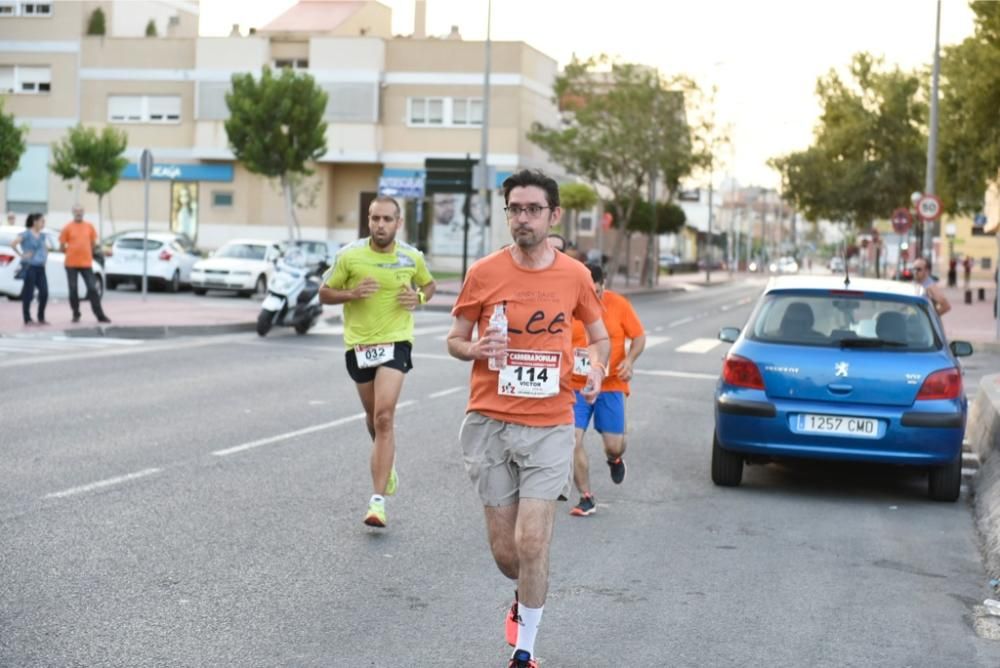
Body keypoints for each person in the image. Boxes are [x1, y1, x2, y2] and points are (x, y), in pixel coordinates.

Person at [446, 169, 610, 668]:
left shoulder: (575, 276)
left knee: (533, 541)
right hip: (490, 421)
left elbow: (599, 337)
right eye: (515, 209)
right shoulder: (484, 273)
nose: (523, 218)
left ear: (553, 215)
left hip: (550, 423)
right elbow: (454, 339)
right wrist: (474, 347)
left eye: (533, 209)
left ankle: (525, 650)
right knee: (507, 555)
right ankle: (522, 597)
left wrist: (598, 367)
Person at [319, 195, 436, 528]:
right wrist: (351, 294)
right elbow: (324, 293)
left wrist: (420, 298)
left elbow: (429, 284)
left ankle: (377, 502)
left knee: (385, 417)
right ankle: (387, 463)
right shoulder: (349, 256)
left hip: (396, 342)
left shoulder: (411, 257)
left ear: (398, 223)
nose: (380, 225)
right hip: (358, 344)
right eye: (375, 219)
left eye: (387, 219)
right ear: (368, 221)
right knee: (372, 418)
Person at [567, 262, 646, 516]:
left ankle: (614, 459)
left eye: (597, 293)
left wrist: (629, 360)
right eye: (587, 293)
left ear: (604, 286)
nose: (592, 298)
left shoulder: (619, 305)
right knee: (572, 440)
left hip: (610, 384)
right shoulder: (568, 305)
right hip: (577, 385)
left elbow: (639, 336)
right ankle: (586, 497)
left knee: (615, 445)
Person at [59, 205, 111, 324]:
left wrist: (86, 251)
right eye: (76, 211)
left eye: (81, 211)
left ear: (84, 212)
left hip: (86, 263)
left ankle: (100, 315)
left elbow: (93, 244)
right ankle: (76, 313)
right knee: (73, 289)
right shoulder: (67, 227)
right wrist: (72, 251)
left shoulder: (89, 227)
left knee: (92, 289)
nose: (79, 213)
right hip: (71, 264)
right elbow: (61, 247)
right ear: (72, 213)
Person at [11, 213, 49, 326]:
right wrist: (22, 255)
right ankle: (27, 318)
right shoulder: (26, 234)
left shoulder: (42, 235)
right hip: (30, 267)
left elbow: (45, 249)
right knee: (29, 293)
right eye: (42, 221)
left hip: (40, 268)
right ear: (35, 221)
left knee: (44, 292)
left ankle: (41, 317)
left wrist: (45, 259)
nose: (43, 223)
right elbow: (13, 244)